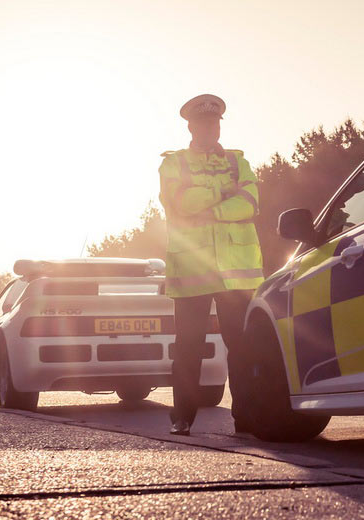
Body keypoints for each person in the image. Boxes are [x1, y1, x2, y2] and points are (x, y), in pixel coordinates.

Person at [158, 94, 264, 436]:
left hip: (236, 274)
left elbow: (250, 203)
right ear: (191, 127)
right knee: (189, 348)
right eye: (203, 124)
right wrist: (224, 192)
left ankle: (247, 417)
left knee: (243, 348)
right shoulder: (173, 164)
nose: (210, 129)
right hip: (192, 273)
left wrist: (211, 205)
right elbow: (181, 202)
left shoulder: (238, 161)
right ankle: (183, 418)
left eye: (215, 123)